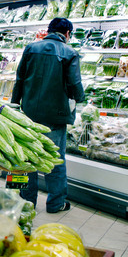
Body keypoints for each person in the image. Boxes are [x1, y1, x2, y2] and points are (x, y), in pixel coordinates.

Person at [11, 18, 85, 213]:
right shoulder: (70, 53)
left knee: (26, 157)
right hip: (56, 116)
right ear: (67, 34)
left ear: (49, 31)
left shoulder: (30, 48)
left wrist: (15, 104)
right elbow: (75, 84)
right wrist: (80, 98)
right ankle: (55, 203)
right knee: (55, 159)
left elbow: (19, 79)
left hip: (28, 115)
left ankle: (26, 202)